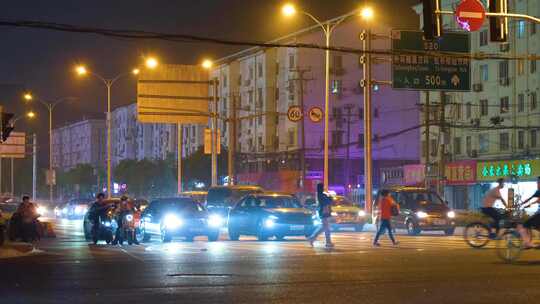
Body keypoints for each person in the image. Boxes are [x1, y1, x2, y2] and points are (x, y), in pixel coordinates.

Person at [308, 183, 334, 248]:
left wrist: (329, 197)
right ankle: (328, 242)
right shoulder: (320, 195)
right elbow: (328, 201)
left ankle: (312, 238)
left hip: (325, 211)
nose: (323, 188)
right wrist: (329, 197)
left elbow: (329, 200)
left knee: (324, 227)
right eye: (322, 187)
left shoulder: (321, 194)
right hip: (324, 212)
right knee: (326, 228)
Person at [517, 177, 540, 248]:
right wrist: (526, 205)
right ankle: (528, 243)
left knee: (526, 224)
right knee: (535, 226)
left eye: (538, 182)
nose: (537, 184)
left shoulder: (539, 191)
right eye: (537, 183)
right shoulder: (538, 192)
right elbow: (535, 201)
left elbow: (530, 199)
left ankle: (528, 243)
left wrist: (520, 204)